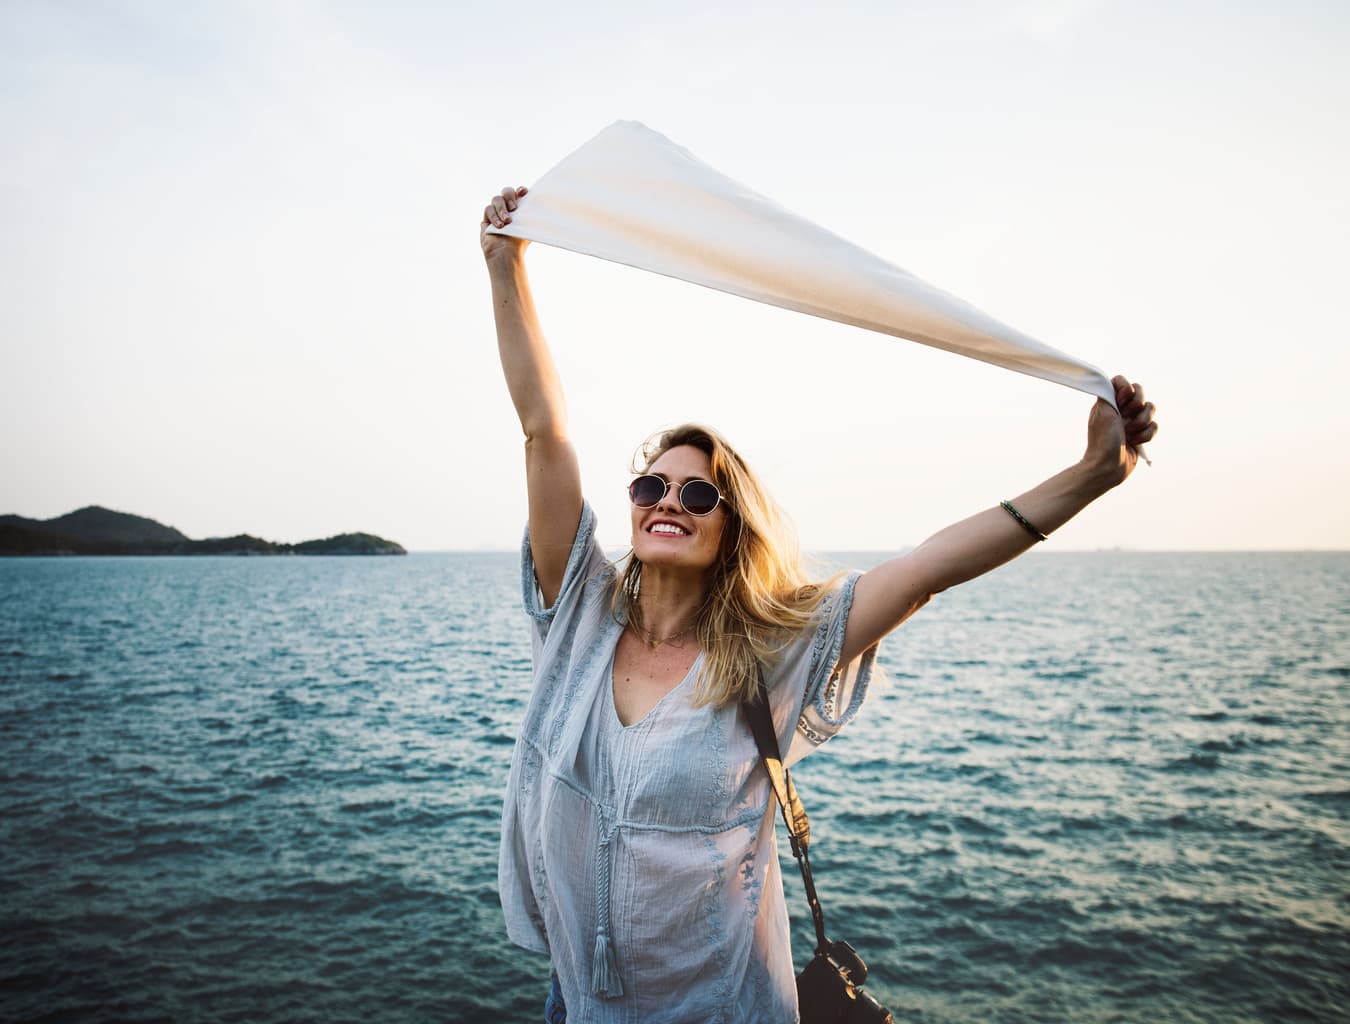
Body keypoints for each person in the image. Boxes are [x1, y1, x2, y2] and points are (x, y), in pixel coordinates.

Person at [481, 184, 1158, 1024]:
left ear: (731, 529)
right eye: (654, 484)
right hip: (579, 1006)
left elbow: (925, 570)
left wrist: (1093, 476)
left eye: (699, 496)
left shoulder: (774, 654)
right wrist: (505, 262)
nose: (669, 501)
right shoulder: (575, 614)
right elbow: (545, 428)